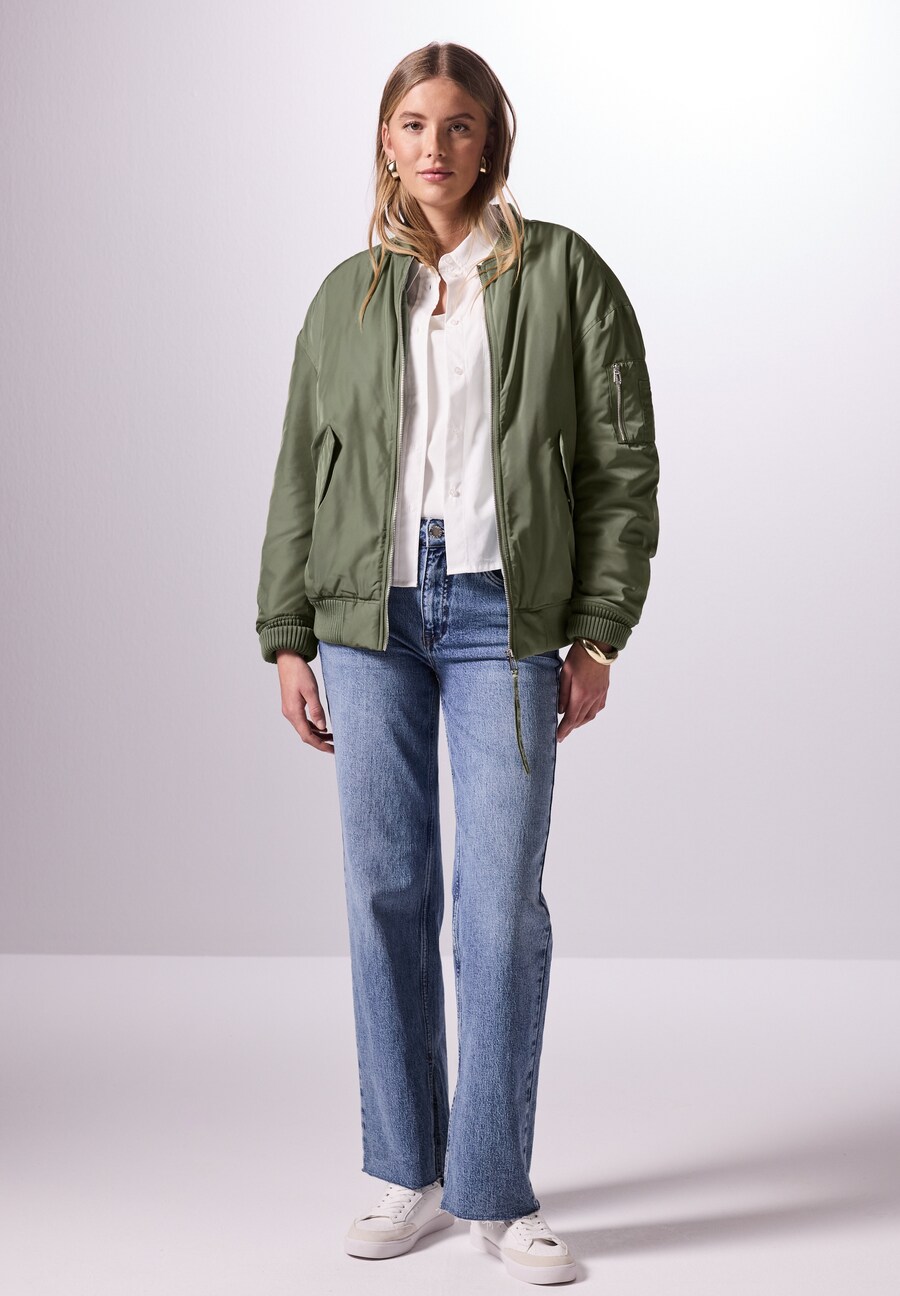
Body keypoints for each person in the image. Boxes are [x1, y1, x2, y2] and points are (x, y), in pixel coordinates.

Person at [255, 41, 659, 1286]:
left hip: (505, 615)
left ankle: (493, 1188)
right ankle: (405, 1171)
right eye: (415, 123)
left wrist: (598, 631)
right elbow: (300, 467)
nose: (437, 146)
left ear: (493, 142)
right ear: (387, 140)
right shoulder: (347, 296)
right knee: (385, 890)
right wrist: (285, 630)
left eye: (462, 124)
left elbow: (621, 463)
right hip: (365, 618)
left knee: (500, 907)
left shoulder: (565, 274)